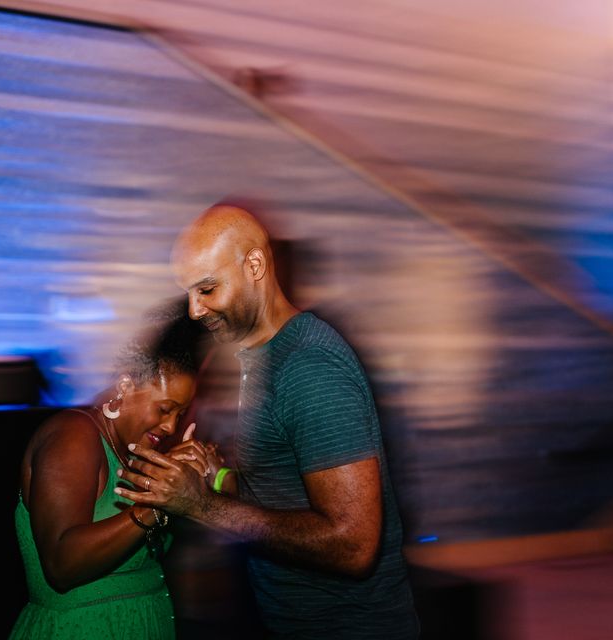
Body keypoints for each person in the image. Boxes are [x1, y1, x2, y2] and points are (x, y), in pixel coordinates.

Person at [116, 204, 420, 638]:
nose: (195, 310)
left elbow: (353, 545)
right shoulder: (257, 359)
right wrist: (217, 478)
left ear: (255, 266)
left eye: (207, 289)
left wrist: (200, 506)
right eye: (188, 293)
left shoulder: (309, 367)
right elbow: (287, 491)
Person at [8, 297, 219, 640]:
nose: (171, 426)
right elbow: (62, 565)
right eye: (165, 409)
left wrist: (205, 480)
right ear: (126, 386)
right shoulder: (74, 435)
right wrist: (155, 504)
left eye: (180, 414)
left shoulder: (140, 452)